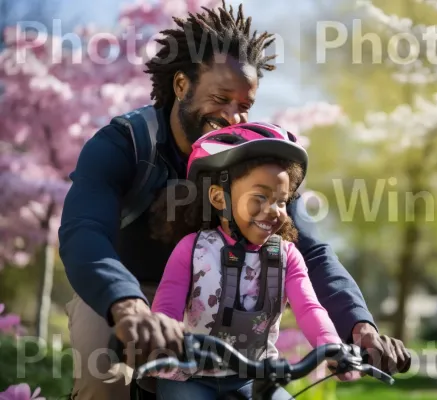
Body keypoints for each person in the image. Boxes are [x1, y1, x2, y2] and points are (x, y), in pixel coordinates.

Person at [58, 2, 410, 399]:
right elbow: (83, 231)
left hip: (221, 304)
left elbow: (312, 253)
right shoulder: (124, 144)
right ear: (180, 86)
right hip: (125, 290)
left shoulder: (253, 157)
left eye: (244, 106)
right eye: (221, 98)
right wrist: (126, 304)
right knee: (103, 381)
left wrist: (359, 326)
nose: (232, 117)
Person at [147, 122, 360, 399]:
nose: (274, 211)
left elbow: (309, 308)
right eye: (260, 197)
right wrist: (161, 341)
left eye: (282, 201)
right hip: (190, 377)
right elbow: (167, 307)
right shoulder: (193, 250)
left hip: (254, 378)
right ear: (218, 197)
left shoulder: (286, 256)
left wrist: (332, 346)